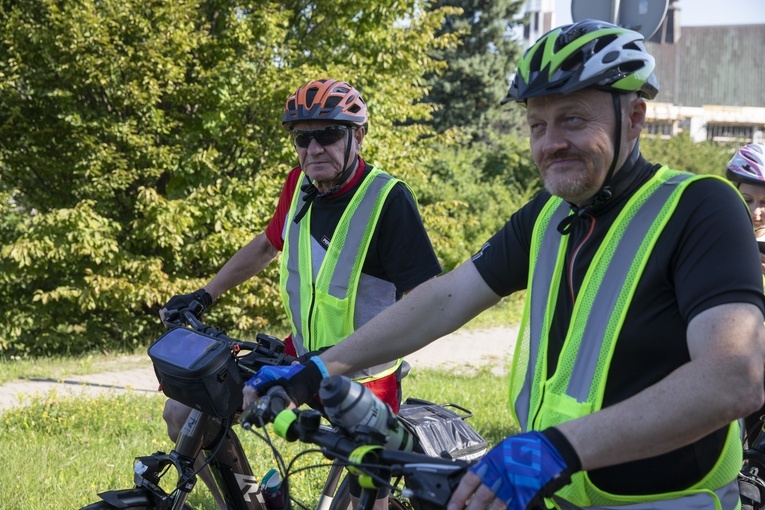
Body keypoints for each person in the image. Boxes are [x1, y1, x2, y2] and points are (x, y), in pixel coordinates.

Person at [243, 20, 765, 510]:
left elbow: (734, 377)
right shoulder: (549, 216)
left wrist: (558, 448)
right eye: (537, 125)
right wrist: (318, 368)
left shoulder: (700, 206)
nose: (550, 142)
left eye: (574, 120)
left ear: (633, 118)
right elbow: (444, 299)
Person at [160, 78, 442, 509]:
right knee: (184, 414)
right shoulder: (299, 186)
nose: (314, 149)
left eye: (328, 134)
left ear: (358, 136)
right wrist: (205, 294)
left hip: (366, 374)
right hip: (298, 357)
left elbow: (426, 303)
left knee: (371, 490)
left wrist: (351, 355)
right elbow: (265, 245)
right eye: (302, 138)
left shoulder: (388, 200)